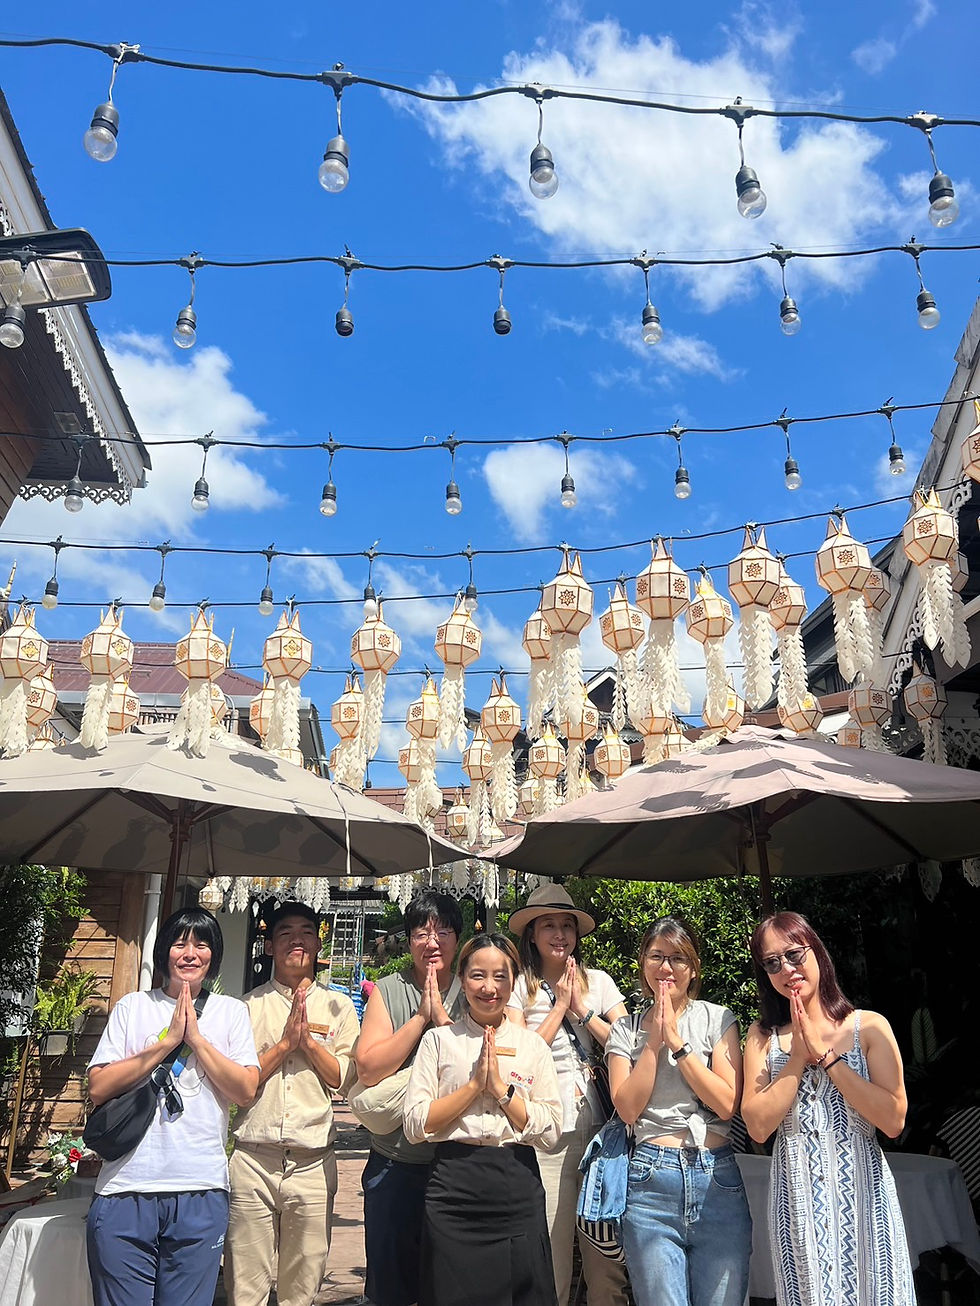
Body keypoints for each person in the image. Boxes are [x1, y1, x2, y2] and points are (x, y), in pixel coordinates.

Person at [85, 908, 259, 1306]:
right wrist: (166, 1043)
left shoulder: (231, 1013)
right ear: (165, 951)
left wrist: (196, 1040)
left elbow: (245, 1090)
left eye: (201, 944)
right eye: (180, 943)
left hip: (200, 1187)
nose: (190, 953)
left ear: (213, 955)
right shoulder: (134, 1007)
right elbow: (99, 1086)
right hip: (126, 1187)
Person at [741, 911, 915, 1306]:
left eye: (794, 954)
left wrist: (829, 1060)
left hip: (863, 1191)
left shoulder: (867, 1027)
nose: (786, 968)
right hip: (797, 1195)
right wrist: (797, 1059)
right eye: (771, 963)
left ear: (816, 952)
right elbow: (757, 1125)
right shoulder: (762, 1036)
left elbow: (892, 1120)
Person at [403, 933, 563, 1306]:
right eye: (477, 975)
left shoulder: (532, 1045)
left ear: (514, 981)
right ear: (462, 977)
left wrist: (503, 1093)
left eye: (500, 976)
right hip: (453, 1188)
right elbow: (415, 1123)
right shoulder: (440, 1042)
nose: (489, 988)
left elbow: (552, 1129)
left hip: (515, 1184)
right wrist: (475, 1086)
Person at [606, 916, 751, 1306]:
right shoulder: (626, 1029)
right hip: (651, 1177)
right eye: (656, 956)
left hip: (716, 1176)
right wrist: (654, 1043)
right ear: (642, 962)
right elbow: (627, 1108)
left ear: (694, 967)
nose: (666, 968)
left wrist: (679, 1046)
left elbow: (726, 1102)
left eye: (677, 958)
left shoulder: (718, 1018)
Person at [224, 901, 360, 1306]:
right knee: (244, 1285)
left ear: (319, 944)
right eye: (285, 934)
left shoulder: (339, 1007)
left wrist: (308, 1046)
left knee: (302, 1287)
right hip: (253, 1159)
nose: (296, 941)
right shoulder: (245, 1008)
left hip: (313, 1162)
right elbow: (238, 1087)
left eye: (306, 932)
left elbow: (343, 1079)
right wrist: (284, 1045)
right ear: (269, 946)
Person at [506, 883, 630, 1306]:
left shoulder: (598, 982)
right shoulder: (520, 986)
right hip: (546, 1133)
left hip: (598, 1129)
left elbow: (629, 1042)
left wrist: (582, 1011)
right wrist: (558, 1007)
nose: (559, 934)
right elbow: (518, 1059)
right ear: (532, 935)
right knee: (553, 1250)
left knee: (604, 1254)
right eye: (548, 926)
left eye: (566, 925)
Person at [354, 891, 466, 1306]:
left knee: (448, 1284)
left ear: (457, 938)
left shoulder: (477, 987)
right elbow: (368, 1067)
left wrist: (442, 1019)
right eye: (422, 932)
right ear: (409, 939)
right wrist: (421, 1016)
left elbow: (479, 1067)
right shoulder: (388, 990)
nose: (432, 941)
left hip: (455, 1161)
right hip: (395, 1164)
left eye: (443, 931)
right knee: (390, 1286)